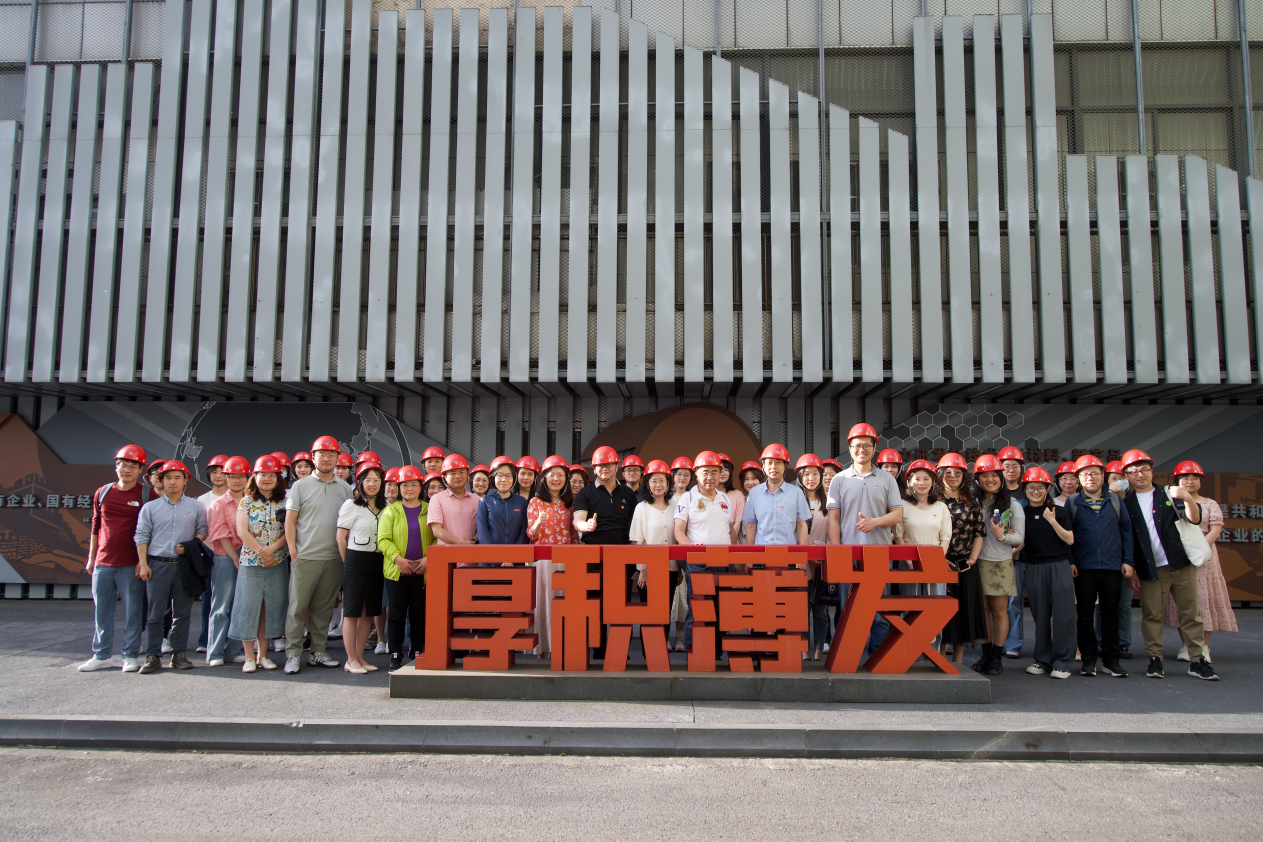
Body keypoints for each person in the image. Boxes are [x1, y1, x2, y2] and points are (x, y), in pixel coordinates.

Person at [1119, 450, 1218, 681]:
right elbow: (1127, 538)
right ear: (1127, 476)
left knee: (1191, 614)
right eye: (1133, 471)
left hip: (1180, 564)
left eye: (1144, 469)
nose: (1140, 474)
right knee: (1152, 615)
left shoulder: (1169, 493)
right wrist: (1132, 570)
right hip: (1151, 569)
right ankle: (1155, 659)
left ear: (1152, 471)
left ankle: (1198, 660)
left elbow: (1194, 519)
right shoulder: (1126, 504)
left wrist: (1187, 498)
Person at [80, 444, 156, 673]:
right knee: (102, 612)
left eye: (133, 466)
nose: (127, 470)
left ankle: (130, 655)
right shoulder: (103, 492)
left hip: (131, 565)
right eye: (124, 465)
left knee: (133, 613)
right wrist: (91, 558)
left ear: (140, 470)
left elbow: (153, 530)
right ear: (116, 467)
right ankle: (101, 655)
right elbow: (96, 526)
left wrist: (142, 561)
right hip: (103, 563)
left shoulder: (147, 494)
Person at [282, 435, 351, 674]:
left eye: (332, 454)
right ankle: (292, 654)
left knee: (323, 609)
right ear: (313, 457)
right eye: (322, 454)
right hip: (306, 557)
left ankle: (317, 652)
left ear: (337, 458)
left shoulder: (344, 488)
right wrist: (293, 549)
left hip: (333, 558)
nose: (327, 458)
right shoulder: (300, 486)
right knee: (297, 608)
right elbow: (290, 520)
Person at [134, 460, 208, 674]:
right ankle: (153, 655)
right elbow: (141, 536)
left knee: (182, 613)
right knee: (155, 614)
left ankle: (178, 654)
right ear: (160, 481)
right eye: (168, 478)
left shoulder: (195, 506)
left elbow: (203, 530)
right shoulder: (150, 508)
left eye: (177, 477)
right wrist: (143, 564)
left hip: (184, 566)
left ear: (185, 480)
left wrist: (192, 545)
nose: (172, 482)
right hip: (158, 565)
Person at [1064, 454, 1133, 679]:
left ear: (1103, 475)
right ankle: (1089, 659)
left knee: (1111, 614)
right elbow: (1067, 534)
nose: (1090, 478)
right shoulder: (1073, 502)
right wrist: (1071, 561)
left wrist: (1128, 560)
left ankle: (1112, 660)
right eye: (1085, 474)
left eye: (1095, 473)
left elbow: (1126, 532)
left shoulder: (1115, 500)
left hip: (1112, 566)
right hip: (1084, 567)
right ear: (1078, 478)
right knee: (1084, 615)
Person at [1168, 460, 1236, 663]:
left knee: (1204, 601)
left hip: (1204, 559)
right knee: (1183, 603)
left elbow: (1215, 530)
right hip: (1179, 557)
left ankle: (1203, 647)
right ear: (1177, 480)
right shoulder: (1171, 502)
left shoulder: (1209, 503)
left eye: (1194, 478)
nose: (1190, 481)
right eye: (1185, 477)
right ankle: (1187, 646)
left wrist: (1197, 551)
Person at [573, 446, 637, 659]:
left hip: (622, 558)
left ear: (617, 467)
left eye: (609, 464)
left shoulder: (628, 494)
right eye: (600, 465)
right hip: (594, 558)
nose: (605, 468)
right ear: (594, 469)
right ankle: (599, 651)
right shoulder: (586, 493)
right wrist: (585, 526)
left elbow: (636, 525)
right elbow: (578, 520)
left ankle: (620, 651)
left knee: (621, 605)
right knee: (596, 604)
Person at [230, 455, 290, 673]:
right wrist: (261, 552)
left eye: (272, 475)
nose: (267, 479)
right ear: (254, 477)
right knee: (249, 607)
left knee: (270, 608)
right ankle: (248, 657)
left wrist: (272, 551)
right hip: (251, 562)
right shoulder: (246, 501)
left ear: (278, 478)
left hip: (278, 561)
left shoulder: (285, 501)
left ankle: (263, 655)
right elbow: (242, 531)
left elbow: (290, 530)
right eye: (262, 474)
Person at [675, 451, 737, 657]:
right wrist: (693, 549)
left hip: (724, 562)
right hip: (699, 563)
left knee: (722, 609)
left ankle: (716, 654)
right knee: (698, 609)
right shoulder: (688, 497)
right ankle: (695, 653)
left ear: (721, 474)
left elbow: (731, 530)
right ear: (696, 474)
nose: (710, 477)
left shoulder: (724, 498)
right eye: (705, 472)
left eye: (714, 472)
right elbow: (678, 531)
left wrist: (735, 555)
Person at [1016, 466, 1076, 679]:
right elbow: (1021, 541)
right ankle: (1042, 660)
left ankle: (1062, 662)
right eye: (1031, 487)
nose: (1036, 491)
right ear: (1025, 489)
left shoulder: (1058, 511)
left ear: (1047, 489)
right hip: (1034, 567)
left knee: (1063, 614)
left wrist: (1051, 520)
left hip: (1059, 565)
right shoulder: (1022, 514)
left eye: (1040, 487)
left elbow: (1069, 539)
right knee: (1040, 615)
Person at [970, 454, 1025, 676]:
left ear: (1001, 477)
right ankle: (985, 653)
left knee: (999, 610)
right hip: (975, 562)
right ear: (978, 479)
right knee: (982, 611)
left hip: (999, 562)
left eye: (994, 475)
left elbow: (1019, 537)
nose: (990, 479)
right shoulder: (972, 501)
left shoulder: (1012, 504)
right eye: (985, 475)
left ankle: (996, 656)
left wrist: (1002, 536)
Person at [379, 465, 433, 670]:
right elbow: (383, 540)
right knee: (397, 615)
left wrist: (429, 558)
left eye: (413, 484)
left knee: (418, 614)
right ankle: (395, 654)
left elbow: (437, 536)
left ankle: (417, 650)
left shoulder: (429, 509)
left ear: (421, 487)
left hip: (421, 572)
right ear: (398, 488)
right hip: (397, 572)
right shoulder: (390, 511)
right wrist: (398, 559)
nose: (409, 489)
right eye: (404, 485)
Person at [937, 452, 986, 666]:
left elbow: (979, 531)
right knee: (939, 612)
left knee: (964, 611)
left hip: (965, 564)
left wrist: (973, 559)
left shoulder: (972, 500)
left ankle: (957, 661)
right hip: (940, 562)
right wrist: (939, 557)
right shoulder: (934, 500)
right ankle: (939, 657)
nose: (952, 476)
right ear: (940, 474)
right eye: (947, 472)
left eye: (957, 473)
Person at [337, 461, 386, 674]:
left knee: (368, 613)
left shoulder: (385, 507)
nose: (372, 484)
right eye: (368, 480)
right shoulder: (351, 505)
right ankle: (350, 659)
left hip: (377, 561)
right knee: (352, 612)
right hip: (355, 560)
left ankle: (359, 656)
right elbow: (341, 537)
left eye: (376, 480)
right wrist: (347, 562)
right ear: (360, 482)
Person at [527, 455, 576, 659]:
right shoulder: (535, 502)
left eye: (560, 475)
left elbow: (573, 535)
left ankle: (561, 644)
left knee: (563, 602)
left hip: (565, 559)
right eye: (552, 475)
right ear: (544, 478)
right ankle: (542, 646)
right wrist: (538, 522)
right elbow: (532, 534)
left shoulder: (569, 504)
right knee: (544, 603)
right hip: (544, 560)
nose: (556, 479)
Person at [204, 456, 250, 666]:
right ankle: (215, 653)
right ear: (226, 478)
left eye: (241, 476)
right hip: (225, 556)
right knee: (221, 606)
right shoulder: (219, 503)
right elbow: (219, 533)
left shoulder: (252, 501)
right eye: (232, 476)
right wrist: (234, 557)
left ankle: (234, 650)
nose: (237, 480)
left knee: (241, 605)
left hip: (248, 557)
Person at [629, 460, 681, 649]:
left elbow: (678, 537)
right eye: (653, 481)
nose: (658, 484)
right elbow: (637, 541)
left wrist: (679, 567)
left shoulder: (676, 506)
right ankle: (648, 652)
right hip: (648, 570)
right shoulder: (641, 508)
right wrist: (642, 570)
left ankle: (661, 651)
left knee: (665, 611)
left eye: (662, 480)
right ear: (647, 484)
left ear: (668, 483)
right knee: (650, 612)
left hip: (671, 568)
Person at [796, 454, 833, 659]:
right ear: (800, 477)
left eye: (815, 474)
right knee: (801, 610)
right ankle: (803, 650)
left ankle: (818, 649)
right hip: (800, 563)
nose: (811, 478)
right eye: (806, 474)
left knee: (820, 610)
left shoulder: (830, 500)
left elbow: (834, 530)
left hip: (822, 563)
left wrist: (823, 552)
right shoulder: (793, 499)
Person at [194, 454, 229, 654]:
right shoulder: (202, 500)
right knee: (208, 596)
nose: (218, 476)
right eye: (214, 472)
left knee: (230, 598)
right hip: (208, 550)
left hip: (233, 551)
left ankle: (230, 641)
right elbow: (201, 528)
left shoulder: (239, 496)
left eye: (222, 472)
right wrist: (213, 547)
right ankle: (205, 639)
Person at [745, 444, 811, 547]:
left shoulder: (796, 493)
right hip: (761, 553)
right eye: (769, 463)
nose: (773, 467)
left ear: (785, 466)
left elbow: (801, 526)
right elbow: (751, 527)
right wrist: (750, 554)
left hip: (789, 552)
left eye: (778, 462)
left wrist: (802, 553)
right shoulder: (754, 493)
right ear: (764, 466)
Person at [427, 454, 480, 555]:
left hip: (472, 556)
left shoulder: (477, 500)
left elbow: (482, 526)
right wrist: (463, 544)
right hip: (446, 557)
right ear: (444, 477)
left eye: (461, 472)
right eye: (453, 473)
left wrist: (473, 541)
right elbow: (437, 531)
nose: (458, 476)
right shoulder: (437, 499)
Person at [478, 456, 529, 545]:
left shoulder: (521, 502)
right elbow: (482, 532)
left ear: (514, 478)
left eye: (508, 475)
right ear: (493, 477)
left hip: (516, 553)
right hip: (492, 553)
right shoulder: (485, 501)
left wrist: (516, 552)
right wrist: (492, 552)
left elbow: (524, 532)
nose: (504, 479)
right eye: (500, 475)